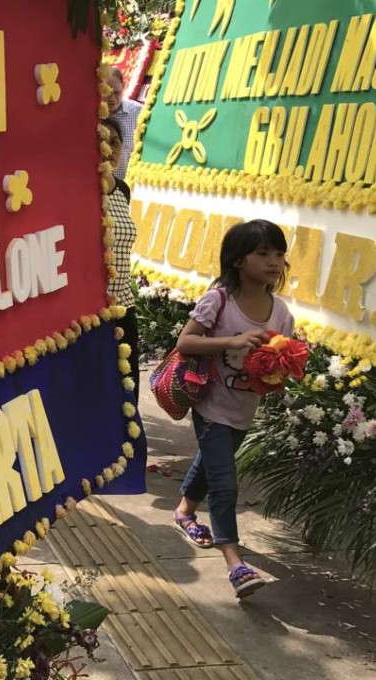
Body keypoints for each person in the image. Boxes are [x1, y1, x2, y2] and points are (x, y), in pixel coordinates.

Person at [171, 220, 293, 599]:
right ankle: (235, 563)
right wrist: (233, 340)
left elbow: (284, 359)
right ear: (240, 260)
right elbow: (186, 341)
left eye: (278, 254)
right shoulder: (219, 299)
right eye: (263, 253)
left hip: (244, 407)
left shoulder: (281, 311)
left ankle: (184, 511)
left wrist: (282, 368)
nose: (273, 261)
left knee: (212, 462)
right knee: (225, 482)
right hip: (209, 403)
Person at [103, 116, 139, 399]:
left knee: (128, 388)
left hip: (125, 305)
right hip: (96, 310)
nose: (109, 149)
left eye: (115, 142)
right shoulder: (79, 191)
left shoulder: (122, 189)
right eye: (101, 142)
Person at [105, 67, 142, 180]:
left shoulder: (138, 112)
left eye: (116, 92)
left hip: (130, 184)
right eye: (106, 93)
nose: (112, 98)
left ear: (124, 86)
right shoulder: (91, 115)